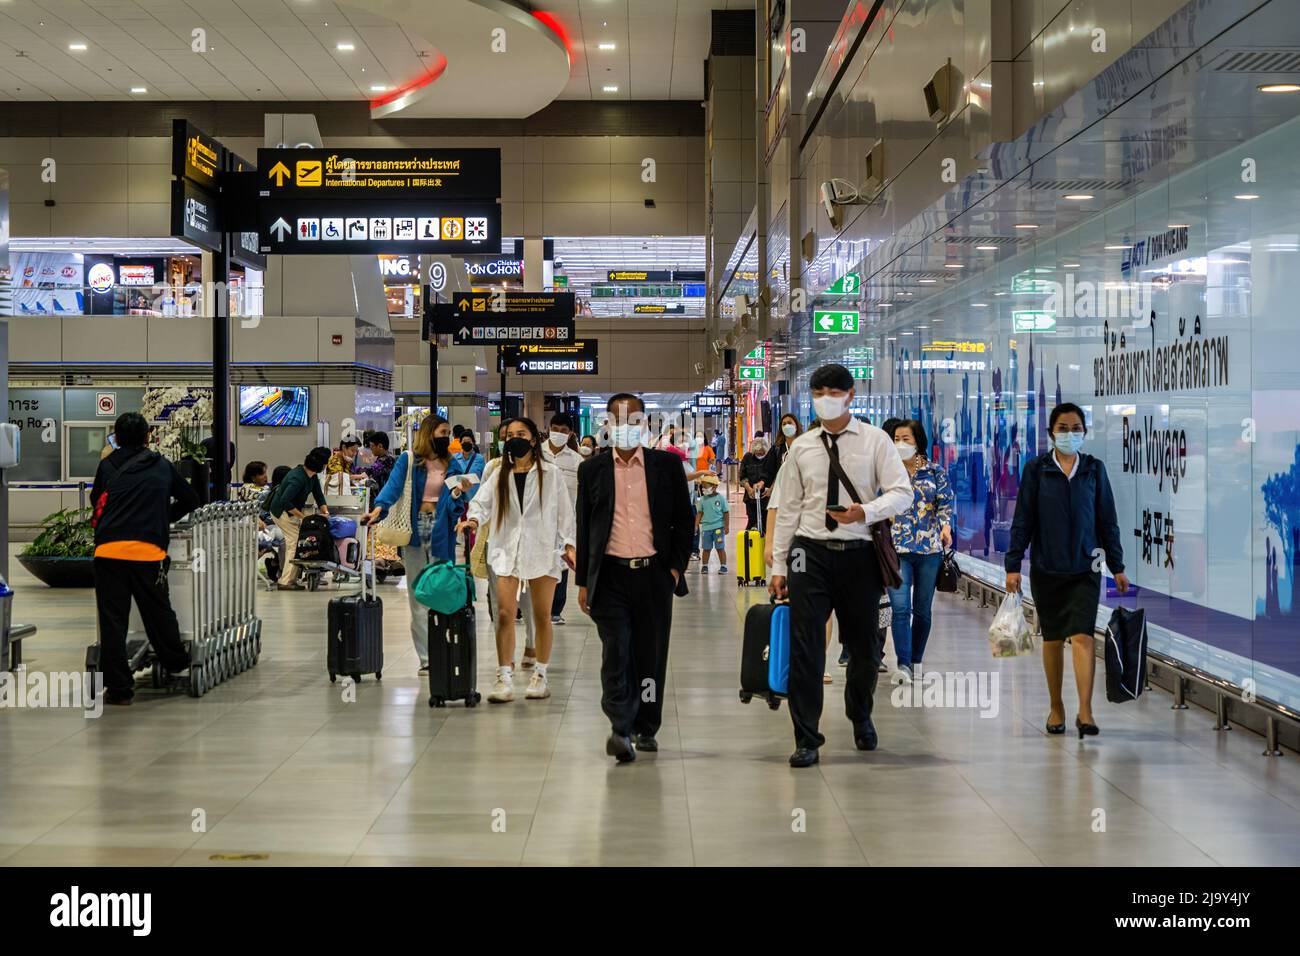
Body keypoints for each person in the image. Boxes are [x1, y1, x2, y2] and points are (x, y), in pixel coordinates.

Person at [768, 364, 913, 768]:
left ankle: (860, 713)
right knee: (806, 647)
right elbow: (789, 508)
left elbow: (903, 494)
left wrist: (865, 512)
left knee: (866, 647)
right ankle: (806, 737)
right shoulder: (802, 447)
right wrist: (778, 565)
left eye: (834, 391)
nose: (825, 398)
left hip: (859, 555)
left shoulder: (876, 441)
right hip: (809, 555)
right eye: (818, 392)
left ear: (850, 395)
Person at [575, 393, 693, 763]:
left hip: (653, 576)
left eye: (635, 420)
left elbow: (684, 521)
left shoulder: (665, 466)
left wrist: (674, 569)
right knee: (616, 651)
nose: (628, 427)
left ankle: (646, 725)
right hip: (609, 577)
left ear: (645, 423)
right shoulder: (591, 470)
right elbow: (584, 528)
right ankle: (619, 726)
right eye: (620, 420)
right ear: (607, 425)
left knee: (650, 656)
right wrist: (583, 581)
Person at [1006, 402, 1128, 738]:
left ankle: (1085, 711)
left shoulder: (1094, 470)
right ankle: (1056, 705)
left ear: (1084, 433)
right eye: (1063, 428)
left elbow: (1107, 520)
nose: (1069, 434)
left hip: (1086, 569)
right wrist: (1013, 565)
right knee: (1054, 637)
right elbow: (1023, 520)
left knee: (1083, 636)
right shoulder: (1037, 470)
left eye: (1076, 428)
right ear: (1050, 433)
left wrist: (1117, 566)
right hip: (1047, 569)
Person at [459, 417, 576, 703]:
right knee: (504, 614)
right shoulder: (499, 472)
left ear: (534, 439)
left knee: (541, 616)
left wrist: (570, 544)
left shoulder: (551, 473)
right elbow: (481, 502)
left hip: (542, 548)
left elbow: (565, 511)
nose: (514, 439)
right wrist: (473, 520)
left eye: (520, 434)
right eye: (509, 435)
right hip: (506, 549)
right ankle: (504, 677)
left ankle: (540, 675)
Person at [90, 412, 201, 705]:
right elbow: (192, 499)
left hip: (108, 551)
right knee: (158, 611)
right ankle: (175, 661)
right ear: (148, 436)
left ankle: (119, 690)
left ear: (116, 437)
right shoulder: (162, 466)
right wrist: (162, 518)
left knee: (113, 622)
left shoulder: (106, 466)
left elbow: (96, 502)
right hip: (147, 552)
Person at [363, 415, 474, 672]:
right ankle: (426, 658)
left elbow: (457, 498)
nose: (447, 437)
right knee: (418, 594)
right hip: (415, 529)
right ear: (429, 433)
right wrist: (378, 509)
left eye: (448, 432)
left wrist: (459, 492)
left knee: (441, 590)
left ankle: (443, 648)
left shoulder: (452, 462)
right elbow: (393, 487)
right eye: (442, 432)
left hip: (442, 530)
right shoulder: (410, 460)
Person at [886, 419, 954, 685]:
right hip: (897, 548)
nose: (901, 444)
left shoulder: (935, 472)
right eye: (897, 439)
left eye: (906, 439)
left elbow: (946, 503)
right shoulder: (887, 471)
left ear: (918, 442)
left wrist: (946, 526)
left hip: (929, 550)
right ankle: (903, 664)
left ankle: (915, 660)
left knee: (922, 610)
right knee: (900, 608)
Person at [266, 447, 332, 590]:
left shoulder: (310, 475)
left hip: (290, 511)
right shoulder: (297, 478)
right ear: (321, 465)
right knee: (295, 543)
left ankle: (290, 579)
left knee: (297, 542)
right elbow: (285, 501)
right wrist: (303, 517)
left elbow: (318, 495)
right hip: (282, 512)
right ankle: (286, 581)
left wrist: (326, 511)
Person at [542, 413, 583, 626]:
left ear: (571, 433)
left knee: (563, 563)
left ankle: (556, 609)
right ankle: (538, 605)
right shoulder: (536, 454)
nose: (558, 433)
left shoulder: (576, 461)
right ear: (549, 428)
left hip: (566, 521)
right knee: (539, 563)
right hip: (538, 520)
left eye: (564, 430)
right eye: (555, 428)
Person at [695, 474, 729, 573]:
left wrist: (726, 526)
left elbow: (726, 512)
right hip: (706, 529)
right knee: (706, 548)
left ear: (714, 487)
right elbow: (699, 513)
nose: (703, 489)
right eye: (703, 487)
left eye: (705, 486)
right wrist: (696, 525)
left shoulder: (721, 499)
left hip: (719, 528)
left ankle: (723, 566)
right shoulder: (702, 500)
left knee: (720, 547)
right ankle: (705, 566)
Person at [739, 435, 771, 531]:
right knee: (752, 521)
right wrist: (749, 489)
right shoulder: (747, 457)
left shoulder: (769, 458)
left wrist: (763, 483)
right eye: (758, 453)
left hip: (765, 496)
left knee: (765, 522)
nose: (760, 455)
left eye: (762, 453)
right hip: (751, 496)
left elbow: (770, 475)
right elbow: (742, 476)